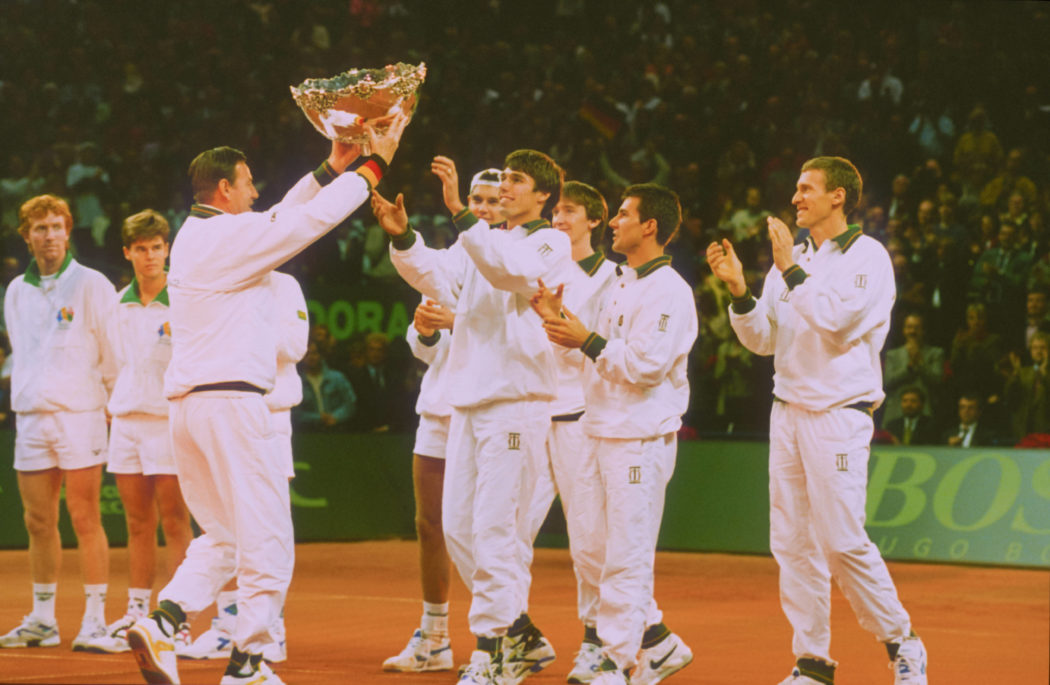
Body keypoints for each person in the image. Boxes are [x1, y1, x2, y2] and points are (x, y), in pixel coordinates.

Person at [126, 113, 409, 685]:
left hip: (190, 408)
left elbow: (284, 213)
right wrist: (376, 163)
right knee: (268, 539)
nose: (256, 192)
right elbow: (306, 223)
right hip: (232, 404)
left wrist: (335, 164)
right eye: (249, 182)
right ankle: (249, 661)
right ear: (225, 190)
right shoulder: (225, 237)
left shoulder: (205, 234)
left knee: (226, 538)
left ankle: (164, 620)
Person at [706, 156, 928, 684]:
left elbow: (836, 324)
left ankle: (903, 641)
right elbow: (764, 339)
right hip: (788, 412)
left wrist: (791, 270)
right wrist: (740, 290)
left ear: (839, 197)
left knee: (842, 539)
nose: (796, 197)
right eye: (796, 188)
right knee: (792, 544)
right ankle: (812, 662)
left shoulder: (867, 257)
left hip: (838, 414)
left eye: (808, 189)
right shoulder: (794, 257)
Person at [373, 149, 572, 685]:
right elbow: (436, 274)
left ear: (543, 196)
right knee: (458, 528)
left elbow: (513, 275)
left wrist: (462, 209)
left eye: (516, 181)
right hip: (468, 403)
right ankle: (521, 634)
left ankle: (491, 652)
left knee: (494, 528)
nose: (506, 188)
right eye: (503, 178)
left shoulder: (550, 241)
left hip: (516, 402)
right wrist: (402, 236)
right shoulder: (480, 242)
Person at [534, 183, 696, 685]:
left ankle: (616, 659)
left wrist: (587, 338)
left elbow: (646, 365)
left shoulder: (671, 291)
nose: (613, 222)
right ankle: (660, 644)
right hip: (601, 427)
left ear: (651, 226)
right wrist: (557, 320)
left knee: (625, 551)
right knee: (594, 549)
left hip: (640, 437)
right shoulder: (622, 282)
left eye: (623, 214)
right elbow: (593, 345)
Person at [383, 163, 503, 673]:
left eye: (493, 200)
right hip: (440, 406)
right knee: (429, 524)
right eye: (476, 198)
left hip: (493, 410)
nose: (482, 207)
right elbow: (428, 346)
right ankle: (434, 636)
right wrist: (428, 331)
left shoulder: (519, 260)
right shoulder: (455, 257)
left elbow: (509, 340)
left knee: (482, 530)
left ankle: (498, 636)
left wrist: (456, 321)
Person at [0, 194, 116, 651]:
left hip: (80, 416)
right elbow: (23, 356)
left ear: (69, 229)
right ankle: (43, 620)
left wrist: (109, 407)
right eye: (40, 228)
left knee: (85, 517)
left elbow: (115, 356)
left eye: (56, 226)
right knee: (37, 521)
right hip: (31, 420)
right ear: (26, 236)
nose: (49, 236)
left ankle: (94, 622)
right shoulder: (15, 290)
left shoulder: (93, 284)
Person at [179, 269, 308, 664]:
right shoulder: (223, 280)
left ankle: (271, 633)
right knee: (219, 527)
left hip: (269, 416)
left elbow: (295, 346)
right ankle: (226, 625)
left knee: (266, 530)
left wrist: (238, 333)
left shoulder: (285, 285)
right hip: (224, 416)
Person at [86, 210, 193, 655]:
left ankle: (178, 619)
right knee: (137, 523)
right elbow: (111, 364)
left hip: (169, 422)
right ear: (127, 252)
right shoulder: (115, 303)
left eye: (157, 247)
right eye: (142, 249)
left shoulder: (185, 298)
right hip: (126, 422)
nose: (151, 256)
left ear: (167, 249)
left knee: (175, 520)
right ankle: (136, 610)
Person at [881, 313, 945, 429]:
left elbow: (937, 381)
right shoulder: (892, 355)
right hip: (896, 411)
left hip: (925, 412)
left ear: (924, 330)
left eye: (916, 328)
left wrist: (921, 364)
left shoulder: (935, 353)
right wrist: (908, 368)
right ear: (904, 330)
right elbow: (887, 382)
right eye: (909, 327)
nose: (912, 331)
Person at [293, 341, 356, 430]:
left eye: (314, 353)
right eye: (306, 354)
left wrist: (335, 417)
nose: (311, 357)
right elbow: (295, 413)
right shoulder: (296, 381)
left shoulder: (337, 378)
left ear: (321, 355)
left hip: (338, 430)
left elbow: (350, 403)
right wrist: (319, 418)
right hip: (308, 432)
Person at [1003, 332, 1050, 442]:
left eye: (1042, 348)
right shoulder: (1022, 373)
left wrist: (1044, 376)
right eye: (1035, 348)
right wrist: (1014, 374)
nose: (1038, 351)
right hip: (1023, 433)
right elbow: (1010, 399)